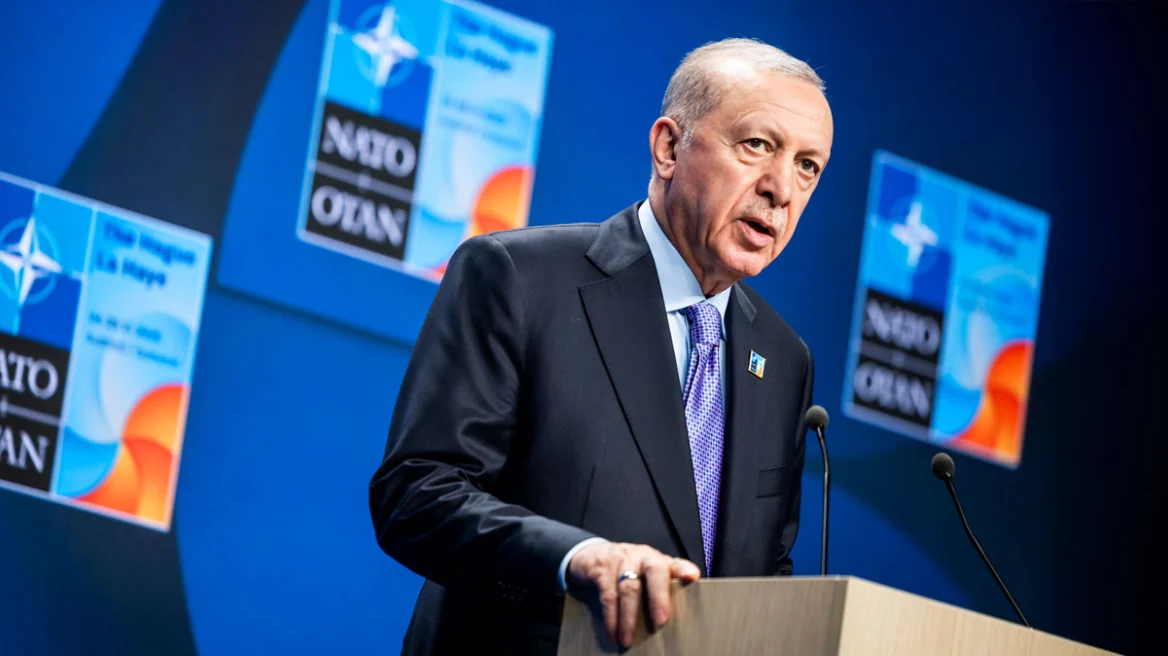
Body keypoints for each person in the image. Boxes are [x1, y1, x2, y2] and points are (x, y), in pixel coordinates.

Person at [369, 37, 833, 656]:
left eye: (808, 166)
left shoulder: (783, 361)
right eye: (757, 145)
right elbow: (418, 495)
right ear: (669, 148)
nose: (781, 188)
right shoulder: (519, 277)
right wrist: (577, 559)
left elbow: (763, 570)